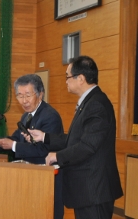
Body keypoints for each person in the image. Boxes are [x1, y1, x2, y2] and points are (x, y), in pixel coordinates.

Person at [28, 56, 123, 219]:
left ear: (81, 79)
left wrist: (57, 156)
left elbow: (87, 146)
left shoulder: (96, 105)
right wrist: (44, 137)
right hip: (88, 190)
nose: (66, 81)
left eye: (68, 76)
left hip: (94, 190)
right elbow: (76, 140)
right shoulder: (90, 102)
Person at [0, 74, 65, 219]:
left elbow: (43, 150)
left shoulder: (49, 116)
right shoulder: (27, 116)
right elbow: (15, 138)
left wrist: (14, 145)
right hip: (31, 179)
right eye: (20, 96)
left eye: (28, 95)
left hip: (47, 180)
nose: (24, 101)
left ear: (40, 94)